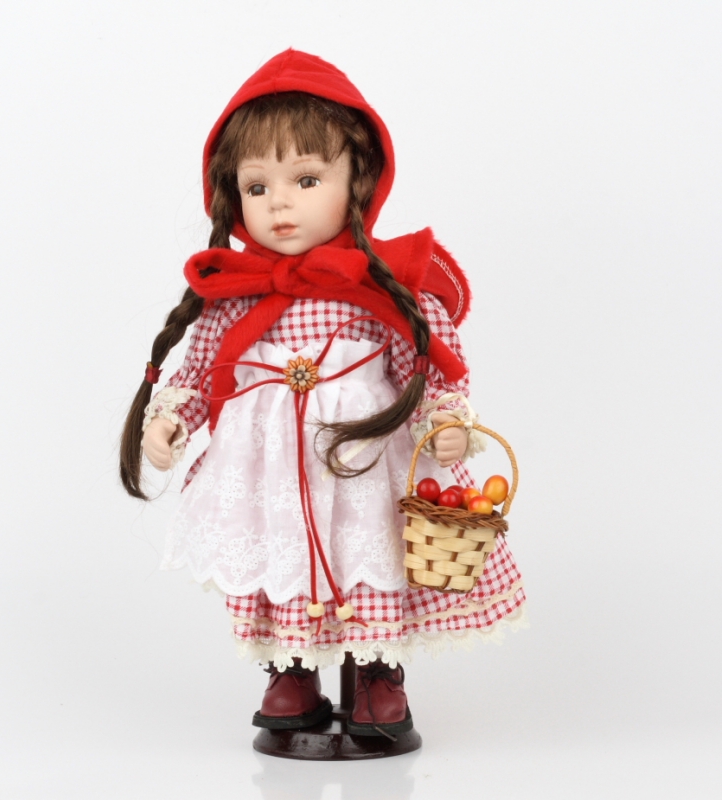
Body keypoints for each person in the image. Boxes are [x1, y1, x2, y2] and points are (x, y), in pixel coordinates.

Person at [120, 49, 526, 739]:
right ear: (232, 196)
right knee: (280, 555)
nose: (279, 202)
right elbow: (199, 371)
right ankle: (292, 672)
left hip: (362, 462)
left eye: (306, 179)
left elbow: (428, 365)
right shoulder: (233, 294)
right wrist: (170, 422)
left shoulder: (374, 286)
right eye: (257, 186)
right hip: (270, 468)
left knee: (368, 553)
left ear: (357, 182)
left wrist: (444, 422)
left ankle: (375, 672)